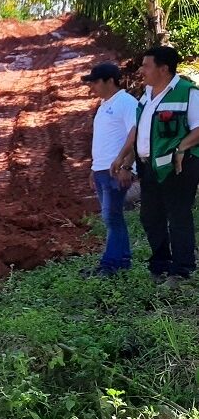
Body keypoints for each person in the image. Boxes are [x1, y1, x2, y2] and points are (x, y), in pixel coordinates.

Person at [111, 46, 199, 286]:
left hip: (179, 166)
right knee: (151, 217)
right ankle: (160, 266)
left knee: (178, 215)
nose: (141, 70)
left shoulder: (187, 93)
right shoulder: (146, 95)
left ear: (164, 68)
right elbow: (140, 132)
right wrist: (127, 161)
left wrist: (181, 148)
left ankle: (182, 271)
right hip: (149, 167)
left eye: (146, 65)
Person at [81, 62, 137, 277]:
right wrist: (94, 169)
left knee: (111, 217)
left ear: (110, 81)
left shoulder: (126, 102)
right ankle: (121, 261)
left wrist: (126, 166)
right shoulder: (104, 105)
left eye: (95, 82)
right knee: (113, 218)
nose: (92, 87)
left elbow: (135, 134)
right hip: (102, 170)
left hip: (116, 171)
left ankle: (110, 265)